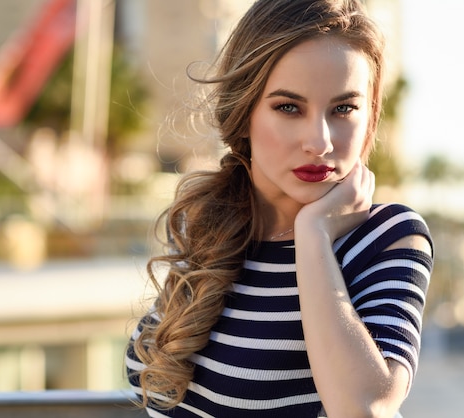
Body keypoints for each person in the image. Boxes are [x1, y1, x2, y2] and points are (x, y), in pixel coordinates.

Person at [125, 0, 433, 416]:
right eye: (289, 107)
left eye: (343, 109)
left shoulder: (388, 237)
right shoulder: (210, 224)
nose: (320, 141)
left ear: (370, 117)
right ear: (244, 111)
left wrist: (314, 234)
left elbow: (363, 408)